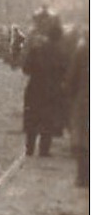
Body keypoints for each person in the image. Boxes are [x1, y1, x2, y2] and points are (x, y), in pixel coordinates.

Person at [20, 10, 67, 159]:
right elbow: (64, 72)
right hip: (52, 90)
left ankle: (29, 149)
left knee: (32, 117)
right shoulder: (61, 53)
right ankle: (44, 150)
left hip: (35, 87)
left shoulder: (37, 49)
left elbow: (26, 69)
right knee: (48, 119)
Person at [65, 27, 89, 188]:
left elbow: (71, 78)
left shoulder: (83, 50)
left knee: (84, 139)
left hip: (86, 101)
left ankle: (83, 177)